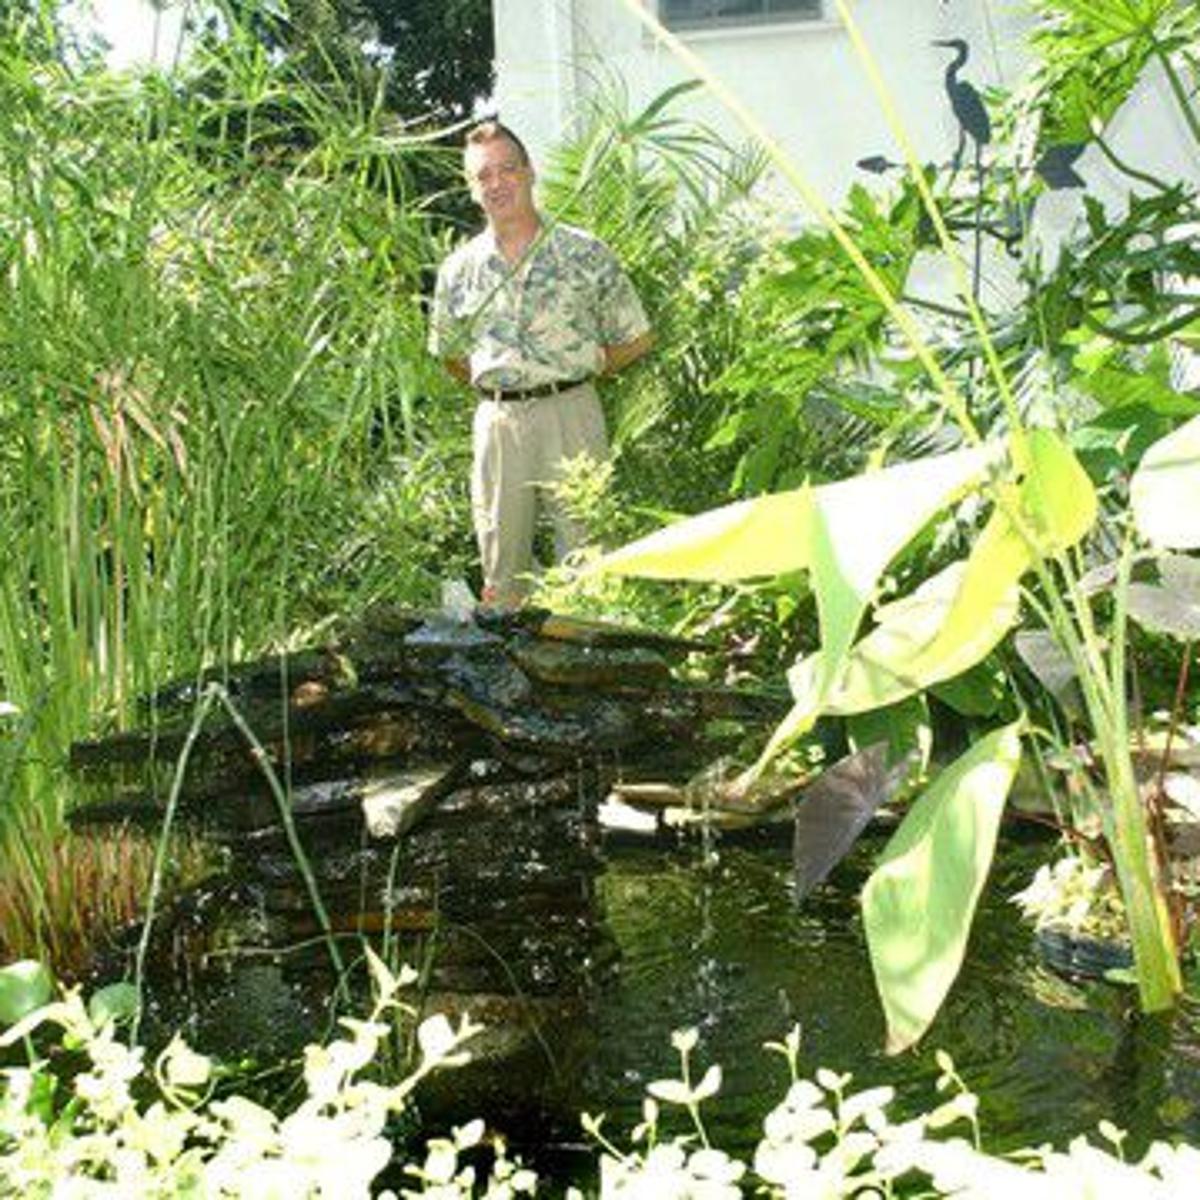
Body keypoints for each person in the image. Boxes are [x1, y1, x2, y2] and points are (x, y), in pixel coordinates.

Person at [428, 120, 653, 608]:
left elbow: (636, 337)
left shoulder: (584, 253)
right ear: (471, 188)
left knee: (589, 558)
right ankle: (509, 653)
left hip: (571, 413)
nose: (497, 183)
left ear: (529, 172)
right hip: (498, 424)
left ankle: (590, 651)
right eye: (483, 175)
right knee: (501, 567)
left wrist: (583, 366)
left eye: (507, 169)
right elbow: (450, 354)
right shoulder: (458, 271)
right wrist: (501, 387)